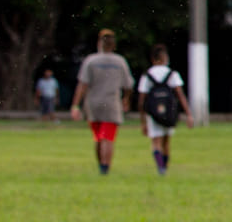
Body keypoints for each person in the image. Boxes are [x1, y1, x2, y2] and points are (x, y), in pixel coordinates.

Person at [71, 31, 135, 174]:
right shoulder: (120, 62)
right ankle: (105, 168)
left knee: (98, 137)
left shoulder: (91, 61)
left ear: (99, 43)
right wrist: (126, 99)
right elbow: (128, 85)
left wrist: (75, 105)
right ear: (114, 45)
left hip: (93, 103)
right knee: (108, 137)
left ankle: (100, 164)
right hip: (111, 102)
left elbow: (82, 85)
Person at [135, 44, 189, 174]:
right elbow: (180, 95)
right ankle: (164, 165)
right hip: (169, 113)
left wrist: (143, 121)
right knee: (166, 141)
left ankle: (160, 167)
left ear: (153, 59)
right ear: (165, 58)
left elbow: (141, 100)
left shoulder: (147, 75)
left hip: (153, 114)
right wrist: (189, 114)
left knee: (156, 142)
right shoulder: (172, 74)